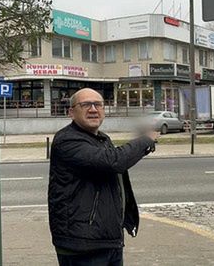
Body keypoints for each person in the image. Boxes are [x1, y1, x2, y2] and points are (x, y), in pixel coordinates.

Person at [48, 88, 159, 266]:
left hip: (107, 239)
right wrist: (146, 140)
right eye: (85, 105)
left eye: (98, 104)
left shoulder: (102, 139)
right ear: (71, 112)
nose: (93, 109)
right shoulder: (67, 140)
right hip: (82, 245)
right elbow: (114, 162)